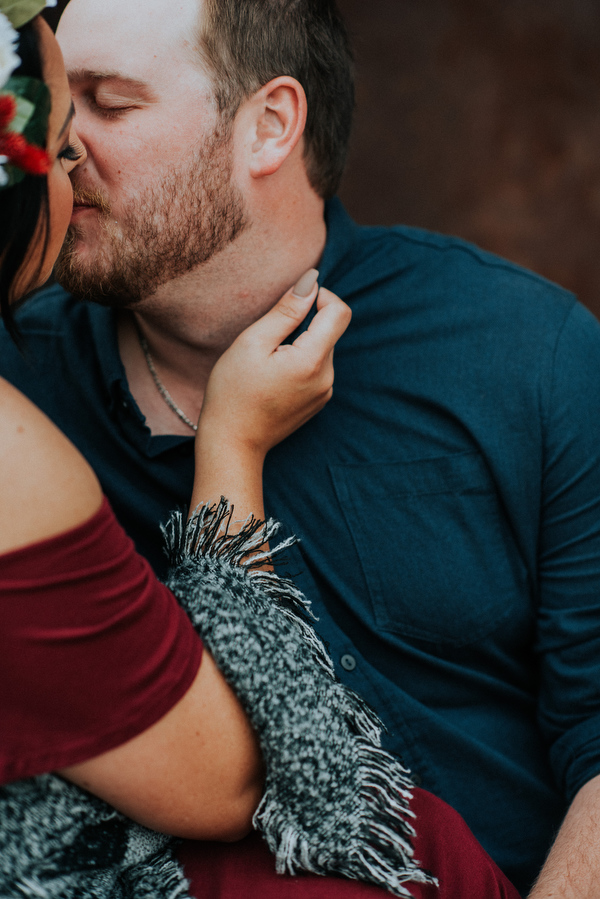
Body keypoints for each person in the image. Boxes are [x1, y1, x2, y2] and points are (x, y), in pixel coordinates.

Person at [4, 0, 597, 894]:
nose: (61, 143)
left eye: (109, 103)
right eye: (52, 100)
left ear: (269, 126)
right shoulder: (21, 389)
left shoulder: (524, 351)